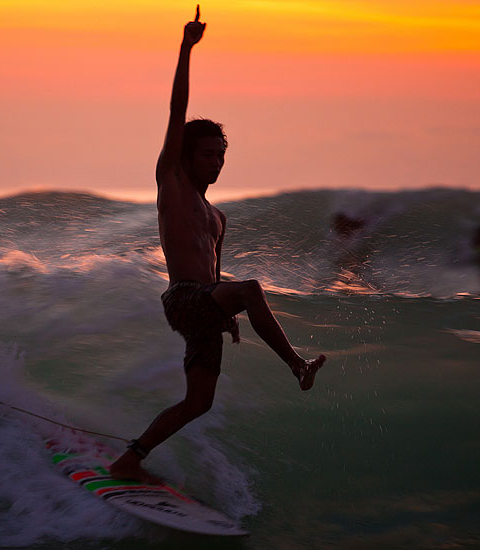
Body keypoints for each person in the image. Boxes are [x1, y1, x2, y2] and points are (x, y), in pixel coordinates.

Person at [109, 6, 327, 483]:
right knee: (251, 288)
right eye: (208, 154)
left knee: (198, 402)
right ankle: (296, 365)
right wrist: (186, 49)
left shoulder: (218, 217)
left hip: (203, 304)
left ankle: (130, 458)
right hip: (182, 298)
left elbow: (215, 275)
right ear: (187, 156)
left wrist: (225, 315)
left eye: (221, 156)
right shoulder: (172, 182)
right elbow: (176, 111)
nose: (216, 162)